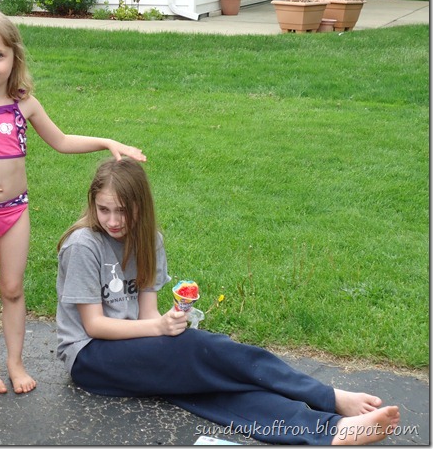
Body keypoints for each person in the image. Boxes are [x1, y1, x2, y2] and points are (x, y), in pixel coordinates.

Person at [55, 157, 400, 445]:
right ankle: (328, 397)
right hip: (90, 357)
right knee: (209, 352)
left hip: (132, 347)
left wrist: (168, 322)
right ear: (93, 204)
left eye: (122, 211)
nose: (113, 221)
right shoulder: (84, 244)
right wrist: (160, 329)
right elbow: (94, 326)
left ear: (141, 207)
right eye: (104, 209)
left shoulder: (150, 240)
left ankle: (332, 430)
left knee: (210, 385)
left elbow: (146, 314)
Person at [0, 11, 146, 396]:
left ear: (14, 58)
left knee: (12, 289)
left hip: (16, 211)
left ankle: (15, 363)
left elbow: (62, 141)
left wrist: (107, 142)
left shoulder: (23, 106)